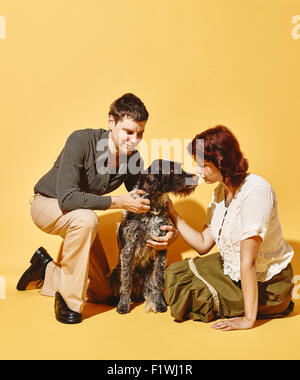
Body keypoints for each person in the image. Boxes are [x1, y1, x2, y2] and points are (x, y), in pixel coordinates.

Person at [17, 93, 177, 324]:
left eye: (140, 133)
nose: (135, 140)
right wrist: (119, 201)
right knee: (87, 219)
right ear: (111, 122)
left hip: (81, 217)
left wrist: (172, 227)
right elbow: (68, 199)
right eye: (128, 132)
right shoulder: (81, 141)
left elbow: (146, 201)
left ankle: (46, 270)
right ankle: (68, 301)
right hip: (47, 204)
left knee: (104, 292)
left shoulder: (133, 159)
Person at [162, 125, 294, 331]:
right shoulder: (219, 193)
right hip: (233, 269)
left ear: (221, 162)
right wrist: (171, 211)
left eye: (203, 165)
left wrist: (249, 320)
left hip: (267, 284)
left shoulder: (256, 191)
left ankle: (265, 307)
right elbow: (204, 244)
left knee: (194, 295)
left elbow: (248, 260)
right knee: (172, 274)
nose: (198, 171)